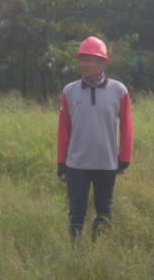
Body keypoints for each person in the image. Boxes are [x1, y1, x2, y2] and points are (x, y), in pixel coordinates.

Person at [57, 36, 133, 241]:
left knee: (104, 211)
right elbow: (64, 130)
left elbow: (127, 127)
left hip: (106, 163)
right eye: (81, 60)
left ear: (102, 62)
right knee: (76, 211)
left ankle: (98, 247)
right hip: (76, 164)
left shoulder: (119, 90)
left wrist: (124, 158)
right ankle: (77, 252)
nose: (84, 64)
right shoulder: (69, 91)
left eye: (89, 60)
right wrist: (61, 163)